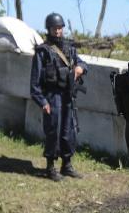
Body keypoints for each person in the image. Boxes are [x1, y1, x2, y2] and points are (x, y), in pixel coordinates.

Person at [30, 13, 87, 181]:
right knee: (53, 131)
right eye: (55, 28)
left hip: (67, 95)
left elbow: (83, 63)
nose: (58, 31)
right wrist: (42, 102)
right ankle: (50, 167)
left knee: (69, 130)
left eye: (60, 28)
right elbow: (34, 82)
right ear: (49, 29)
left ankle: (67, 165)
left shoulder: (70, 48)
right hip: (52, 96)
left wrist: (80, 69)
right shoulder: (43, 51)